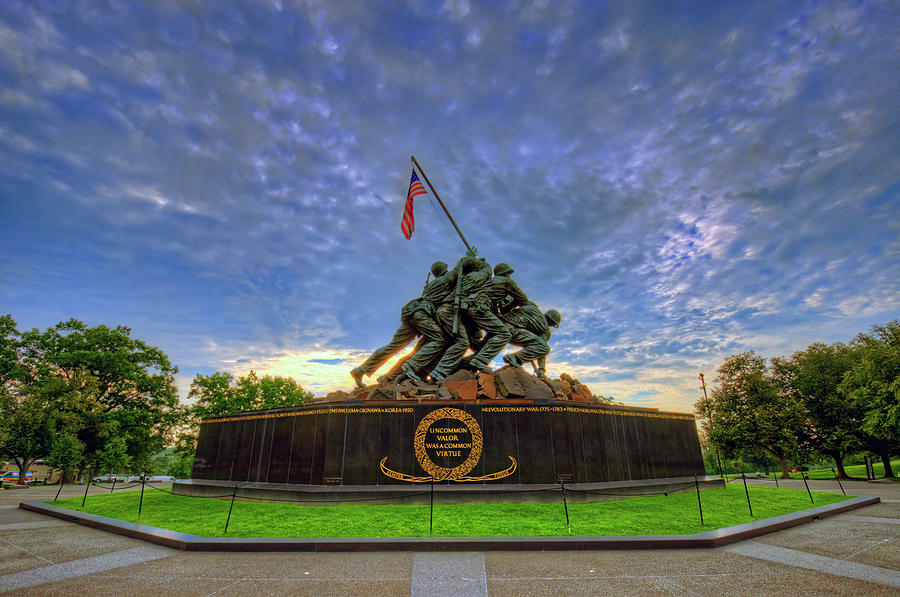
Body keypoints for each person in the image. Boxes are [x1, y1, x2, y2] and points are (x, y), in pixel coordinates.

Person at [350, 261, 454, 387]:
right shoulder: (444, 280)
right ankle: (408, 368)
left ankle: (360, 370)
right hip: (423, 314)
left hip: (413, 313)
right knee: (440, 340)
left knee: (393, 347)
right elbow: (460, 268)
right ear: (443, 270)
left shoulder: (432, 284)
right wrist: (471, 259)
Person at [428, 256, 492, 381]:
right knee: (462, 343)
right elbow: (485, 274)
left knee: (478, 347)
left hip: (456, 315)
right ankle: (439, 372)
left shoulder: (455, 281)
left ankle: (465, 366)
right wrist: (483, 264)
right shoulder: (467, 279)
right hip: (449, 312)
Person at [464, 262, 529, 373]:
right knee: (504, 334)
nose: (510, 275)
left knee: (490, 337)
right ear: (506, 273)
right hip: (479, 308)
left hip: (472, 307)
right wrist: (511, 306)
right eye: (509, 273)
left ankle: (465, 364)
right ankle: (479, 361)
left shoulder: (491, 282)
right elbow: (523, 299)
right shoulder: (508, 282)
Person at [501, 303, 561, 377]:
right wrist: (541, 369)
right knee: (544, 348)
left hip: (503, 325)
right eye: (553, 324)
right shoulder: (546, 330)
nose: (552, 326)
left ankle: (517, 360)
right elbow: (541, 348)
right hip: (514, 331)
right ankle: (515, 358)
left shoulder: (535, 312)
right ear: (552, 321)